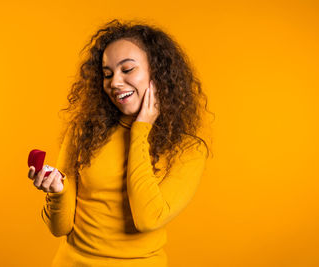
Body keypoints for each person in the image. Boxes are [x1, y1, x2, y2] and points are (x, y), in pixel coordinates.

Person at [27, 19, 211, 267]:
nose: (114, 82)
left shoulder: (188, 150)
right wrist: (57, 193)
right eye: (107, 74)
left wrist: (141, 129)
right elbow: (60, 228)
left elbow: (148, 219)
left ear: (157, 72)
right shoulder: (84, 132)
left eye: (127, 70)